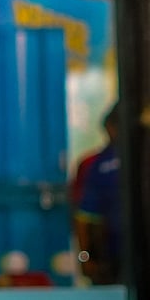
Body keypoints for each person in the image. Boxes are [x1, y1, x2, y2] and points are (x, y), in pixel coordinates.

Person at [73, 103, 120, 285]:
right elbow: (85, 217)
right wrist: (86, 259)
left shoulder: (97, 164)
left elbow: (84, 219)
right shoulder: (96, 165)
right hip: (113, 260)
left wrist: (85, 259)